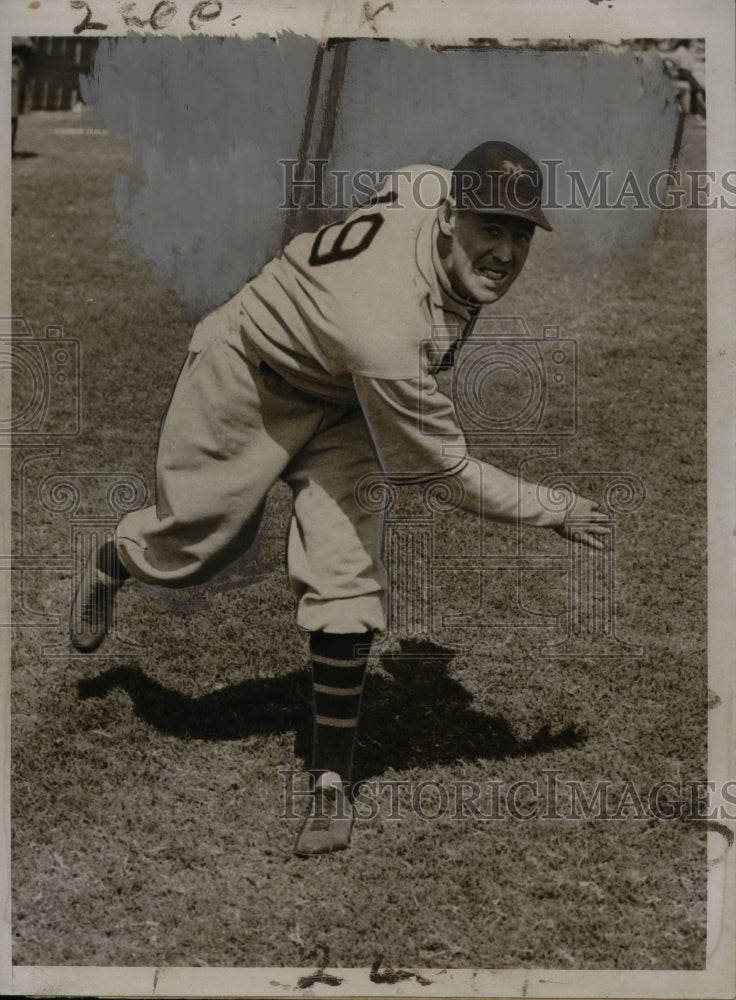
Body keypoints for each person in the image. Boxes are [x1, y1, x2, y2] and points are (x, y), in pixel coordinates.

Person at [70, 140, 610, 856]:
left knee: (347, 575)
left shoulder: (424, 186)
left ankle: (331, 779)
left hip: (350, 400)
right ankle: (118, 556)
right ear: (448, 217)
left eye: (520, 234)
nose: (505, 252)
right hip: (250, 373)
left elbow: (398, 191)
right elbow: (443, 471)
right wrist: (554, 507)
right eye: (489, 227)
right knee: (199, 545)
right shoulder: (384, 324)